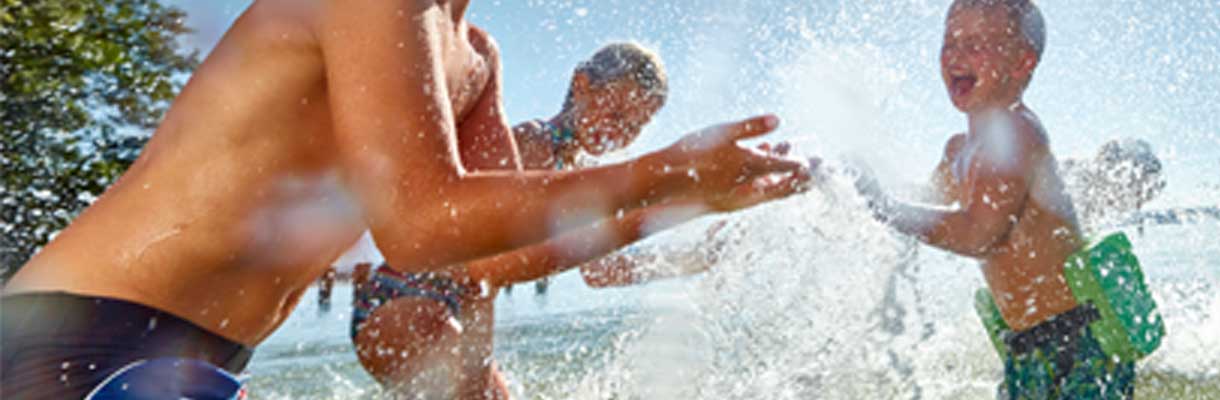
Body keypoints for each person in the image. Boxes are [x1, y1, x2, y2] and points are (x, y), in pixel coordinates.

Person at [0, 1, 809, 398]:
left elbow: (487, 256)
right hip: (81, 335)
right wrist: (662, 173)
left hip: (200, 361)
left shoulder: (473, 58)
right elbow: (420, 225)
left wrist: (692, 198)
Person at [348, 42, 745, 399]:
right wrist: (686, 198)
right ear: (581, 85)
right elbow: (496, 257)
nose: (620, 131)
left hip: (460, 317)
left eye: (634, 126)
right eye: (617, 110)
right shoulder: (531, 145)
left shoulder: (578, 175)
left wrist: (695, 258)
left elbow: (599, 272)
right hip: (403, 301)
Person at [849, 1, 1159, 398]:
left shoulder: (1017, 131)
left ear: (1021, 63)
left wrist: (886, 207)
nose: (956, 54)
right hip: (1023, 347)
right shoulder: (957, 151)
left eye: (976, 43)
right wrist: (859, 185)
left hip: (1079, 342)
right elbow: (926, 203)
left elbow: (979, 234)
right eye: (949, 42)